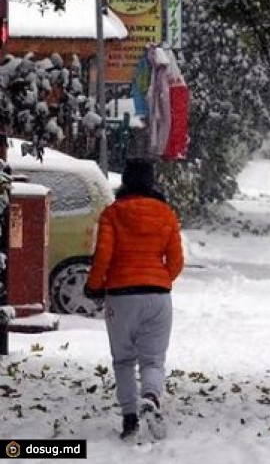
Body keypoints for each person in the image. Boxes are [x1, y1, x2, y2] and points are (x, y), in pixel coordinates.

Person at [84, 158, 184, 440]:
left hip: (121, 296)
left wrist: (94, 286)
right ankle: (151, 397)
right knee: (153, 360)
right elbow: (176, 261)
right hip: (158, 296)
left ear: (125, 181)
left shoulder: (113, 214)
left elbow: (103, 256)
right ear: (152, 181)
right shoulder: (166, 213)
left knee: (124, 360)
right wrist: (160, 278)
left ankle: (129, 417)